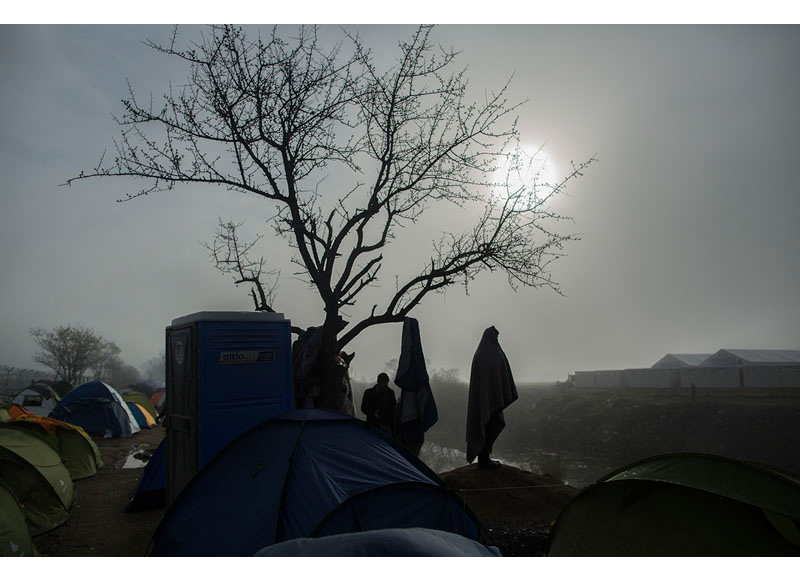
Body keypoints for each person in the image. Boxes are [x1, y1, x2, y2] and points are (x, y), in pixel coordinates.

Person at [466, 326, 518, 469]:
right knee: (485, 424)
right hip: (485, 401)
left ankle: (485, 458)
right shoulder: (486, 354)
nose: (497, 339)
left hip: (489, 401)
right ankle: (484, 460)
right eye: (495, 337)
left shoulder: (484, 353)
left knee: (489, 424)